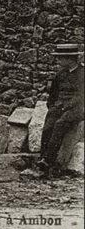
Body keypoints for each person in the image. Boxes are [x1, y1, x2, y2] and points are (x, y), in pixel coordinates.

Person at [38, 43, 84, 177]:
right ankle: (42, 157)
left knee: (60, 124)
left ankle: (49, 160)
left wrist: (66, 106)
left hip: (78, 108)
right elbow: (53, 94)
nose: (57, 61)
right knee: (49, 123)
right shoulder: (60, 74)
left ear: (70, 59)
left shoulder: (82, 74)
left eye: (60, 58)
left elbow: (81, 96)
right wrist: (53, 107)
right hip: (61, 106)